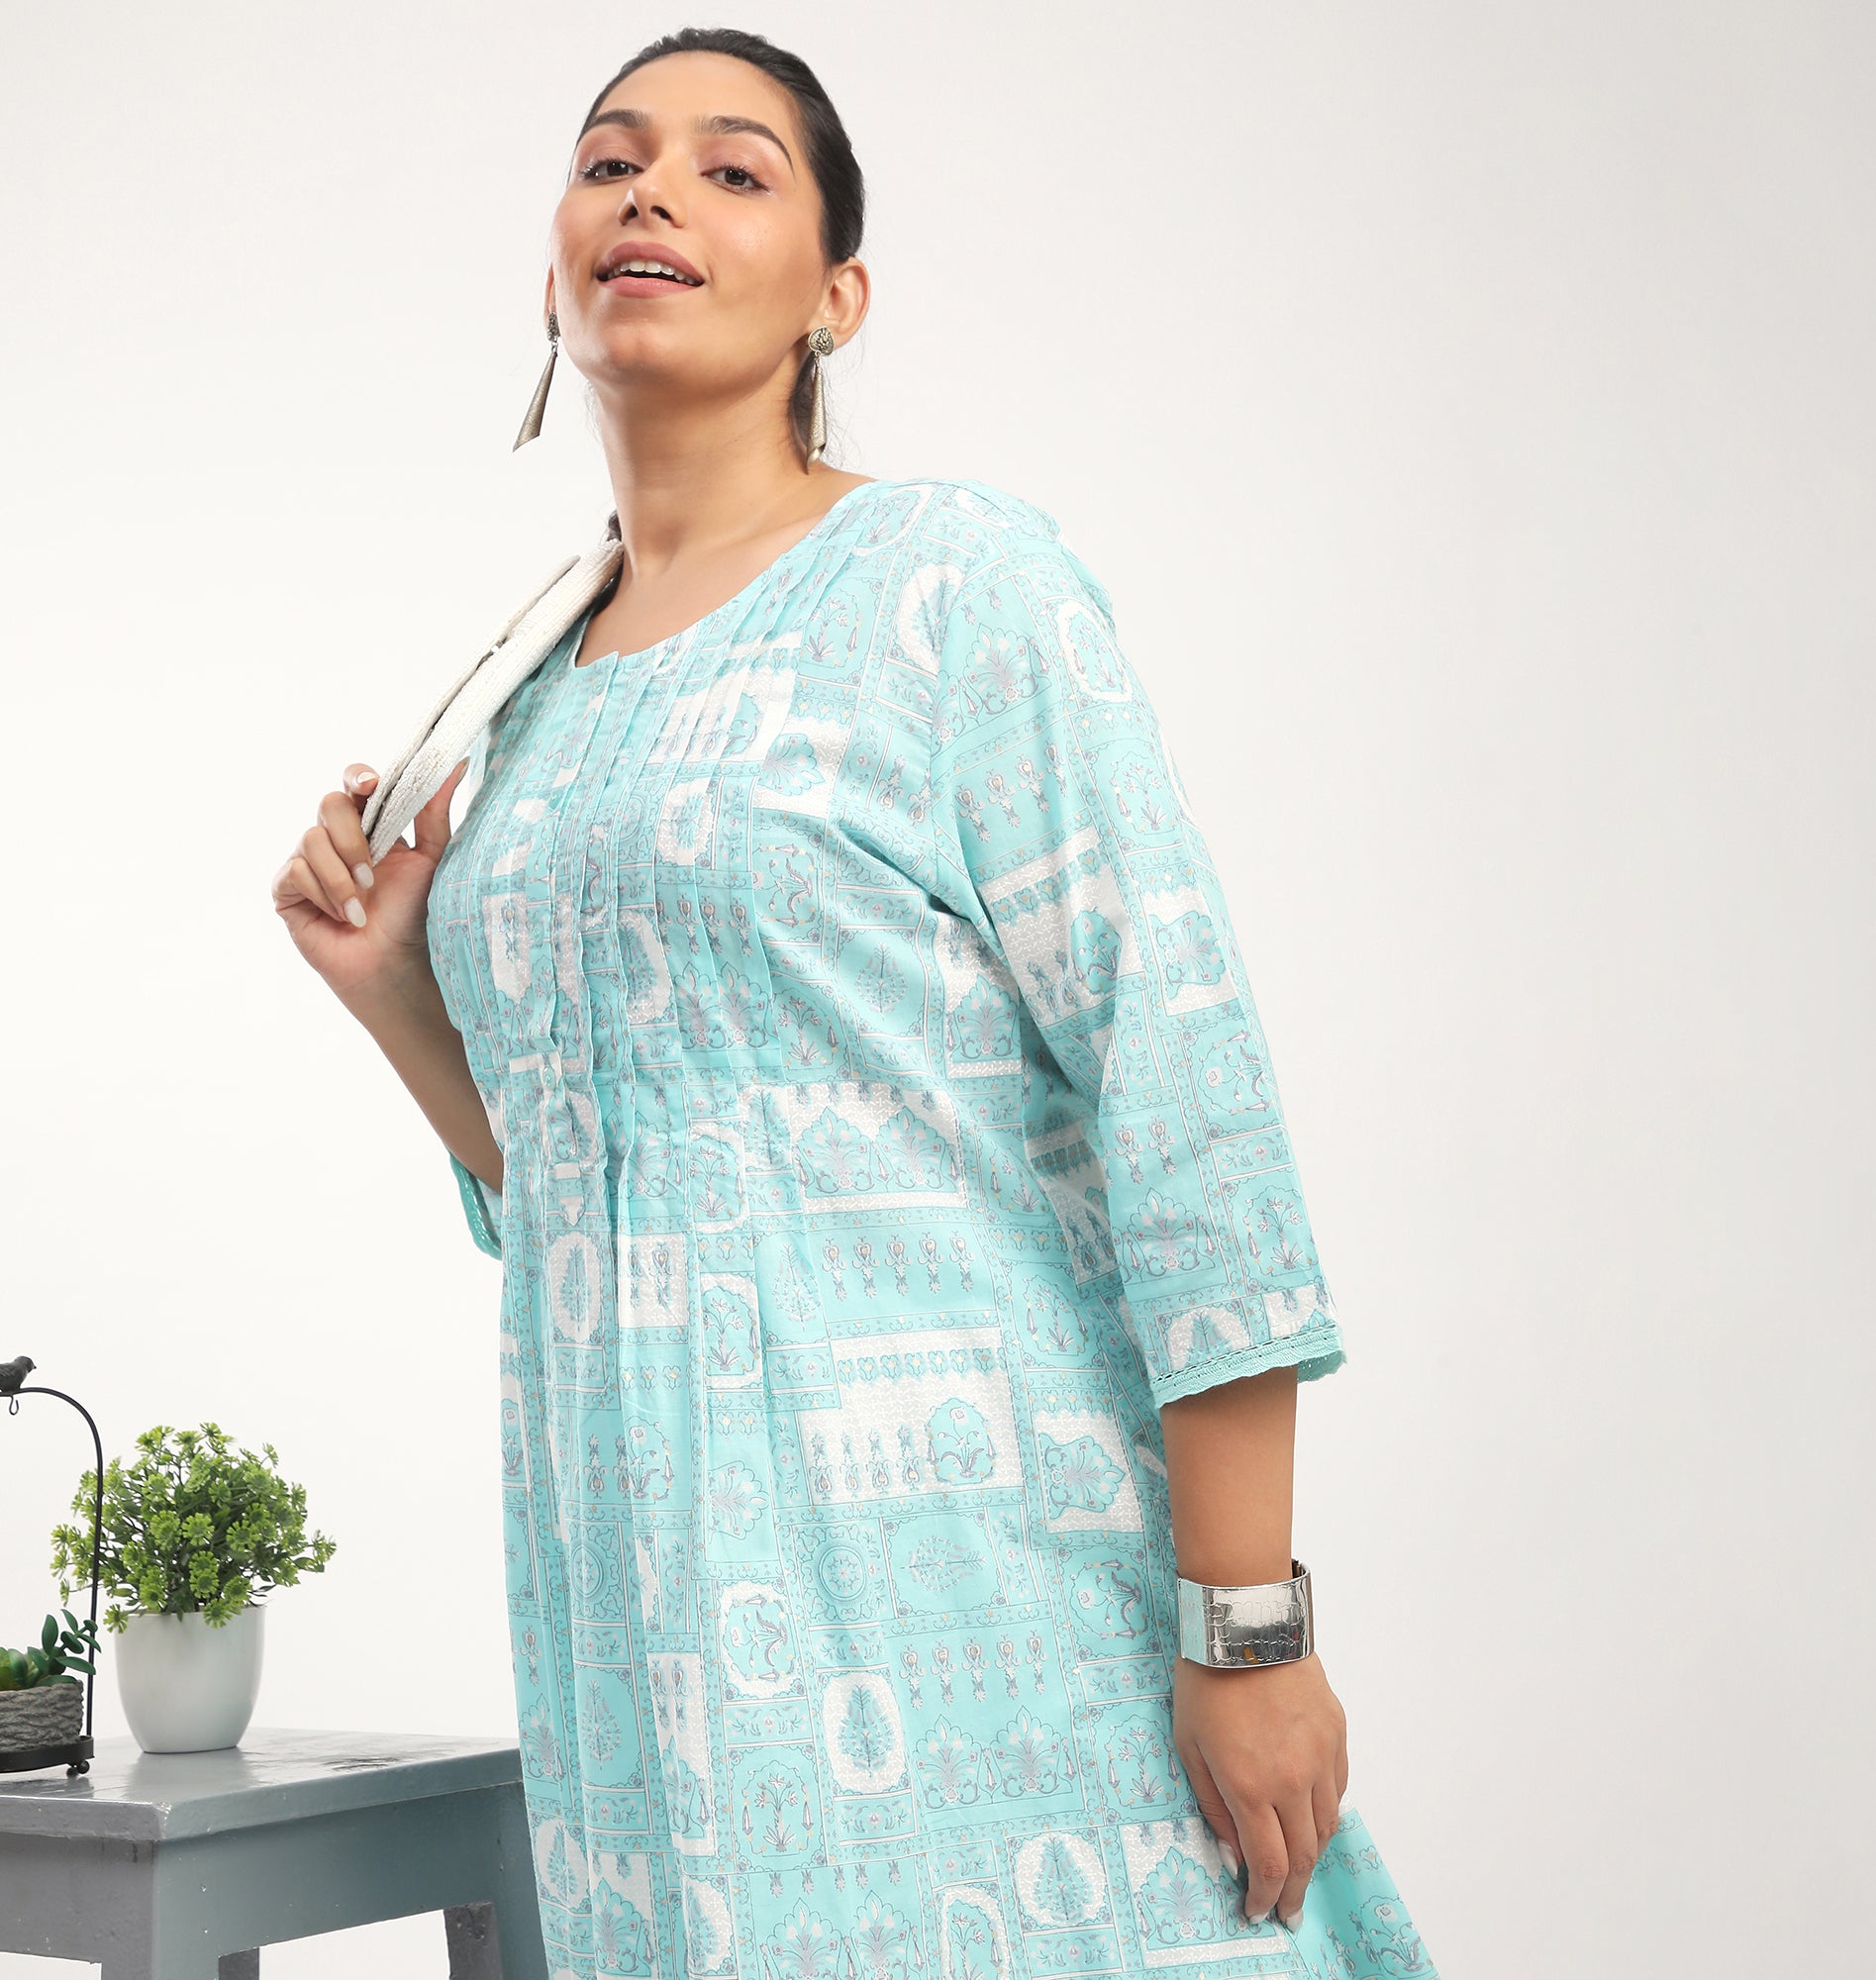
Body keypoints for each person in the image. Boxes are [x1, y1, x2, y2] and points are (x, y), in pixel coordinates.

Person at [273, 28, 1435, 1980]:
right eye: (611, 160)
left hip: (976, 1604)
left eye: (732, 171)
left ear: (838, 296)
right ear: (555, 265)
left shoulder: (951, 585)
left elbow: (1183, 1089)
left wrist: (1250, 1630)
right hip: (649, 1663)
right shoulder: (527, 706)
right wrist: (397, 992)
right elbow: (576, 1186)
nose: (652, 192)